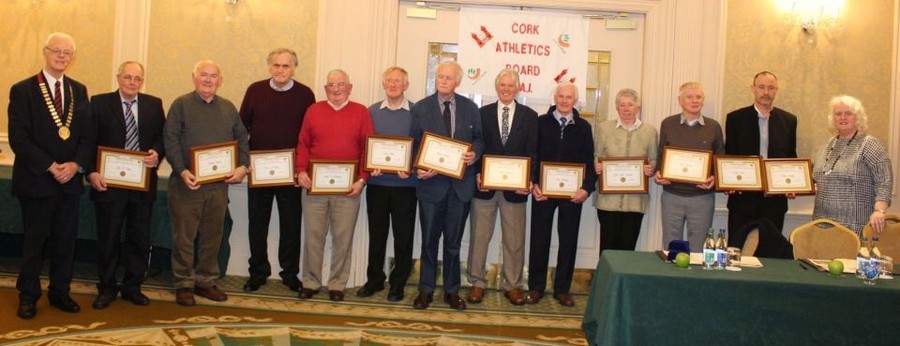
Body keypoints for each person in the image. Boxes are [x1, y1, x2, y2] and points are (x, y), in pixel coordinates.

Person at [8, 32, 93, 319]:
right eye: (56, 50)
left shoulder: (79, 90)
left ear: (72, 58)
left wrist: (74, 165)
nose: (61, 56)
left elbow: (85, 136)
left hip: (69, 182)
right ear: (45, 52)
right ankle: (28, 295)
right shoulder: (23, 90)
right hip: (36, 181)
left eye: (67, 52)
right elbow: (19, 138)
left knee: (65, 241)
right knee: (34, 243)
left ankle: (60, 292)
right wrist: (50, 165)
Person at [164, 60, 250, 306]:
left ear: (219, 80)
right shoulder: (181, 104)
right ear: (194, 77)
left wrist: (242, 167)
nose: (208, 79)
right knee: (184, 237)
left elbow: (242, 139)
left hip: (218, 187)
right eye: (204, 75)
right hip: (186, 185)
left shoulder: (228, 108)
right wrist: (181, 171)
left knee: (213, 235)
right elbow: (170, 140)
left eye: (213, 76)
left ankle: (205, 280)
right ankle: (183, 283)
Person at [86, 61, 165, 309]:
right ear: (118, 78)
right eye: (128, 77)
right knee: (108, 238)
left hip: (141, 186)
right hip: (109, 185)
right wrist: (91, 172)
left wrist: (156, 153)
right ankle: (106, 287)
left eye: (137, 79)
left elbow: (161, 137)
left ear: (142, 81)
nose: (132, 82)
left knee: (139, 239)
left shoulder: (154, 104)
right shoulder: (99, 103)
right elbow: (87, 141)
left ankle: (132, 286)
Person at [239, 48, 315, 293]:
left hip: (291, 174)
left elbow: (309, 136)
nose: (281, 70)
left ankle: (290, 274)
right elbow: (242, 130)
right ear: (269, 66)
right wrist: (245, 162)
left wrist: (302, 168)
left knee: (291, 226)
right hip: (258, 172)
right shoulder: (254, 90)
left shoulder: (305, 94)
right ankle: (258, 272)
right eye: (276, 65)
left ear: (294, 68)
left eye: (286, 66)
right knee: (257, 225)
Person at [410, 61, 484, 310]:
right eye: (440, 76)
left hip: (459, 189)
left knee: (453, 243)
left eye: (448, 78)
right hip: (431, 187)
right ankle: (426, 290)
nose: (443, 81)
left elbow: (479, 139)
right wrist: (417, 167)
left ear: (457, 82)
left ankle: (452, 291)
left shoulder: (470, 107)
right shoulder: (421, 108)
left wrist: (474, 154)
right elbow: (412, 145)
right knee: (429, 242)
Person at [295, 69, 373, 302]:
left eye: (341, 84)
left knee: (343, 237)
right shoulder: (314, 110)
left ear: (349, 87)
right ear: (325, 88)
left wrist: (362, 179)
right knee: (313, 236)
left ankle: (337, 284)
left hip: (348, 188)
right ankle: (310, 281)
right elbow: (303, 143)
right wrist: (300, 171)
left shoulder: (360, 112)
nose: (336, 89)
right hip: (314, 187)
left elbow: (366, 148)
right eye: (331, 85)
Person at [465, 69, 537, 306]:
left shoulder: (530, 116)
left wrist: (529, 180)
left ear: (518, 88)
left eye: (510, 86)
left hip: (515, 191)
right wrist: (476, 173)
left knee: (514, 239)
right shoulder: (482, 113)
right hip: (484, 187)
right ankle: (476, 282)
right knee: (479, 236)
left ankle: (513, 285)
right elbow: (476, 144)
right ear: (497, 88)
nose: (506, 89)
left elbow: (533, 152)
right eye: (502, 85)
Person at [528, 82, 596, 307]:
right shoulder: (540, 123)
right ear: (554, 98)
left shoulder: (584, 127)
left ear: (575, 100)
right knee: (539, 239)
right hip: (543, 193)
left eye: (569, 97)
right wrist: (534, 183)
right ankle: (536, 287)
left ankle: (562, 289)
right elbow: (533, 155)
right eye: (561, 96)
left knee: (568, 241)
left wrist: (586, 188)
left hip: (572, 195)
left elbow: (589, 161)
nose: (565, 101)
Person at [356, 67, 417, 302]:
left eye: (398, 81)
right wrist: (372, 165)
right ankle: (374, 279)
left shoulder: (415, 112)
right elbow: (364, 146)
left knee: (404, 237)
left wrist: (410, 166)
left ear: (406, 84)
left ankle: (398, 284)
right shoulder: (371, 111)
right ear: (384, 84)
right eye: (389, 81)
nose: (393, 85)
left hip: (406, 187)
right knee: (377, 235)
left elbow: (421, 145)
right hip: (378, 185)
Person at [724, 71, 797, 247]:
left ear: (776, 90)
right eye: (762, 87)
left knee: (769, 251)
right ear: (753, 89)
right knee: (737, 249)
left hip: (775, 200)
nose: (766, 92)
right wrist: (727, 181)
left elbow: (790, 157)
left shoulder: (789, 120)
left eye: (771, 88)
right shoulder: (735, 118)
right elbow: (729, 156)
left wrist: (793, 185)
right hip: (742, 199)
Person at [655, 82, 724, 253]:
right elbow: (660, 155)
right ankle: (671, 278)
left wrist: (714, 179)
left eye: (698, 97)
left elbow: (720, 161)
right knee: (671, 247)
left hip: (702, 198)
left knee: (698, 248)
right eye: (689, 97)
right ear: (680, 100)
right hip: (672, 196)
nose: (695, 101)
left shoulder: (713, 127)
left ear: (703, 100)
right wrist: (658, 173)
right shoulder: (668, 123)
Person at [812, 95, 892, 234]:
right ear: (833, 118)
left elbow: (884, 181)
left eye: (848, 113)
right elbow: (819, 178)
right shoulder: (826, 146)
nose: (843, 117)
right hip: (822, 224)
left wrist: (879, 211)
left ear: (858, 117)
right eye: (838, 113)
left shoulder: (869, 144)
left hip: (856, 225)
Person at [593, 88, 657, 256]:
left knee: (628, 250)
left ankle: (623, 282)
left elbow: (654, 158)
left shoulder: (650, 131)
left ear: (637, 107)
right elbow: (596, 155)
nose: (626, 109)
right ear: (616, 107)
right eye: (622, 105)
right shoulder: (604, 128)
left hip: (635, 202)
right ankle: (606, 283)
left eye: (630, 105)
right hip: (608, 201)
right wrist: (596, 165)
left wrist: (651, 168)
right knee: (607, 250)